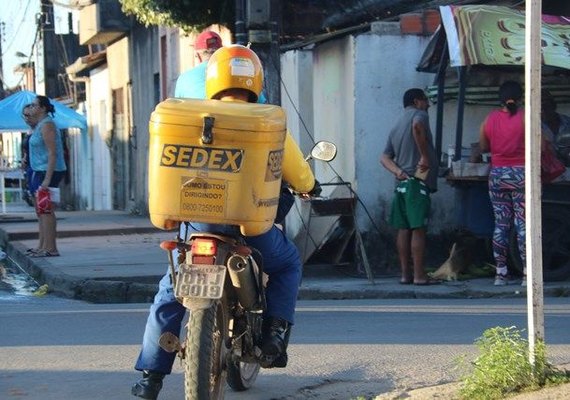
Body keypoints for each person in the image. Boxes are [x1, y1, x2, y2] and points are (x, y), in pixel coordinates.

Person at [131, 45, 319, 400]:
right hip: (250, 228)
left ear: (212, 78)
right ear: (255, 81)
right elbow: (296, 172)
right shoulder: (265, 119)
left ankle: (150, 377)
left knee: (169, 293)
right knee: (288, 264)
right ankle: (274, 337)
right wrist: (310, 185)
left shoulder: (186, 117)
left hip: (195, 226)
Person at [380, 88, 438, 286]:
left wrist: (397, 171)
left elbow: (384, 157)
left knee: (403, 230)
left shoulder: (396, 124)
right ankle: (420, 276)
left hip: (402, 185)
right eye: (426, 101)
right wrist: (424, 155)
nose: (428, 104)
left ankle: (405, 275)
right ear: (417, 101)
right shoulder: (419, 115)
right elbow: (417, 126)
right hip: (417, 184)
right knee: (418, 229)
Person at [478, 81, 526, 286]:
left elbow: (482, 147)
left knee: (501, 224)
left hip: (497, 175)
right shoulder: (526, 117)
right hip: (522, 175)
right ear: (522, 96)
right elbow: (541, 146)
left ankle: (501, 273)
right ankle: (527, 274)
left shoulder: (489, 119)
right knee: (523, 224)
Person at [26, 95, 67, 257]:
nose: (32, 108)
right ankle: (42, 245)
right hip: (39, 170)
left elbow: (52, 153)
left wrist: (47, 179)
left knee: (46, 210)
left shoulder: (48, 125)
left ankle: (51, 248)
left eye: (35, 105)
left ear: (43, 108)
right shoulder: (39, 125)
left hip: (48, 171)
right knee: (40, 210)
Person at [174, 30, 223, 98]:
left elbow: (177, 106)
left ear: (198, 55)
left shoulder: (183, 79)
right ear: (222, 53)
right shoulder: (233, 74)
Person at [541, 89, 570, 179]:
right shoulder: (532, 126)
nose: (544, 109)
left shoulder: (567, 121)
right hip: (547, 175)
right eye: (541, 106)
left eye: (547, 104)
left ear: (553, 105)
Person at [21, 103, 36, 206]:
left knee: (41, 202)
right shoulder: (29, 131)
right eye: (24, 115)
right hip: (29, 166)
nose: (26, 118)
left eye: (28, 115)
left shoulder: (41, 129)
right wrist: (24, 158)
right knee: (34, 196)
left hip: (38, 168)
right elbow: (28, 149)